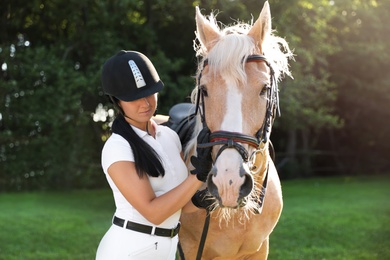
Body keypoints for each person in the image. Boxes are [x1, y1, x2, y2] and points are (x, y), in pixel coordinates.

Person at [95, 50, 213, 260]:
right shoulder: (117, 147)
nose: (146, 103)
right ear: (117, 101)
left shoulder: (169, 136)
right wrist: (198, 177)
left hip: (166, 249)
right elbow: (154, 213)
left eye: (150, 93)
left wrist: (208, 196)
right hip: (128, 251)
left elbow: (180, 203)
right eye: (134, 98)